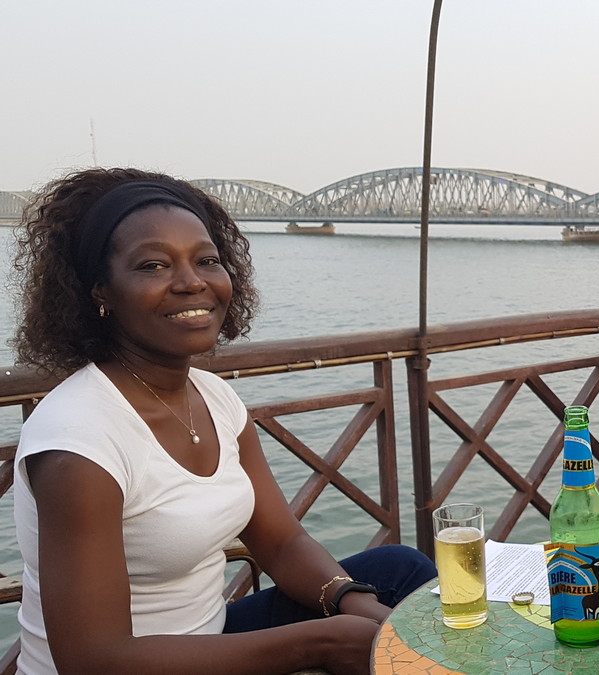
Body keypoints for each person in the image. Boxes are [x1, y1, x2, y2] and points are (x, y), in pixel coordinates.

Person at [9, 168, 437, 675]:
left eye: (207, 260)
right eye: (153, 265)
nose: (192, 282)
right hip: (128, 665)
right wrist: (316, 645)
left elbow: (281, 542)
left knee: (399, 571)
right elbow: (94, 660)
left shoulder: (215, 398)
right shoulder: (78, 443)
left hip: (208, 640)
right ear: (101, 291)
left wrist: (347, 599)